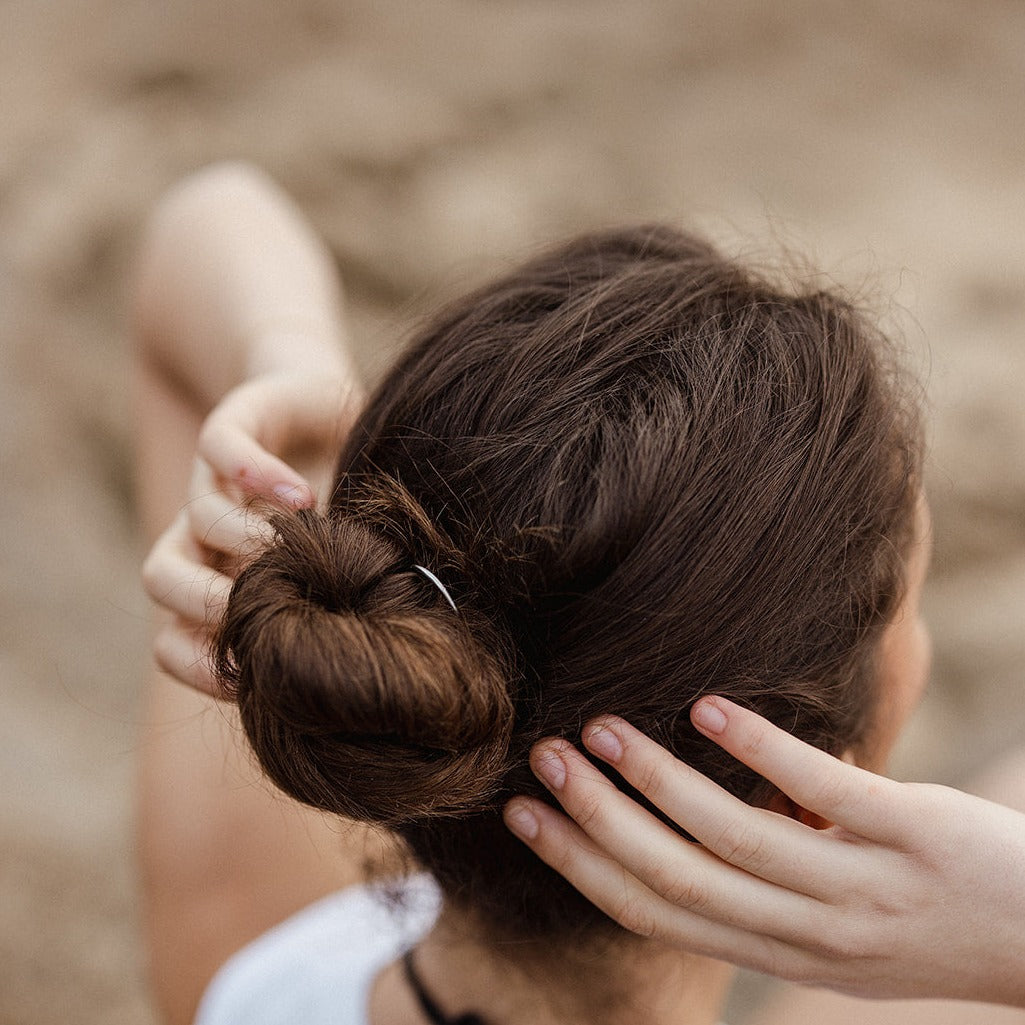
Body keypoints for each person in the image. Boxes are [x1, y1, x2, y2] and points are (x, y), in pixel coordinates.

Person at [139, 161, 941, 1025]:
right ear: (803, 802)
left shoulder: (249, 965)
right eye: (912, 605)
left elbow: (206, 217)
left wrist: (290, 358)